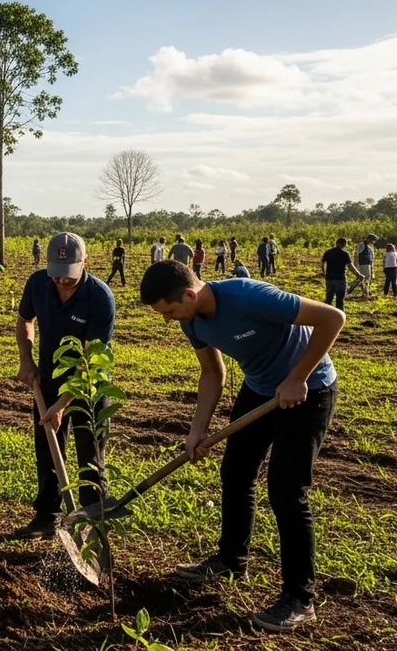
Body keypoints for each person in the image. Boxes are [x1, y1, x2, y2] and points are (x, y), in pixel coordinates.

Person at [139, 260, 344, 632]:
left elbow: (332, 318)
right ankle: (231, 560)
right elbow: (212, 373)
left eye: (169, 311)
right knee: (235, 473)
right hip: (261, 389)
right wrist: (197, 431)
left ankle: (300, 598)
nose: (169, 320)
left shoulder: (251, 297)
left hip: (309, 390)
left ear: (189, 294)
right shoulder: (192, 319)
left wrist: (298, 377)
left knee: (286, 490)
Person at [13, 232, 115, 539]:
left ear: (85, 262)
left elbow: (92, 360)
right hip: (47, 379)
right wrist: (26, 359)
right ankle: (47, 517)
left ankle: (93, 526)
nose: (61, 282)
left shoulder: (100, 298)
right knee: (47, 450)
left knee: (90, 459)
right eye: (56, 276)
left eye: (68, 276)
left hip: (87, 388)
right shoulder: (37, 283)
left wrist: (62, 404)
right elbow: (24, 320)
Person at [319, 238, 361, 311]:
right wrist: (358, 274)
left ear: (336, 243)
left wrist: (324, 272)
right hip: (340, 279)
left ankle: (325, 315)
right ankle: (339, 316)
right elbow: (350, 266)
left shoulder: (328, 252)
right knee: (340, 300)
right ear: (344, 244)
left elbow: (322, 263)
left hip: (329, 279)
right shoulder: (345, 254)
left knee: (328, 298)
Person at [346, 234, 377, 300]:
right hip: (363, 264)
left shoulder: (370, 246)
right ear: (369, 239)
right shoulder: (361, 245)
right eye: (373, 240)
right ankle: (350, 290)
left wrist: (372, 267)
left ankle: (365, 293)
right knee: (362, 278)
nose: (373, 242)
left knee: (367, 279)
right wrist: (356, 264)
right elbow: (356, 254)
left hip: (368, 264)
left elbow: (371, 257)